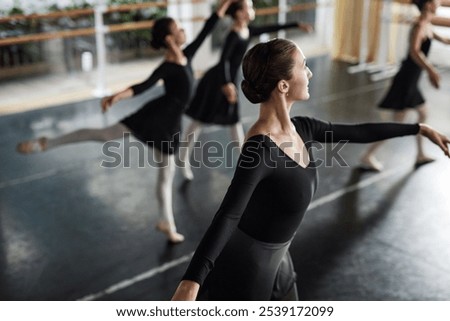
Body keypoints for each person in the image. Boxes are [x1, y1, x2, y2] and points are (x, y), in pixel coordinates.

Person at [171, 38, 449, 300]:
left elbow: (360, 131)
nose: (310, 73)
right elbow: (228, 215)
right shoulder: (259, 149)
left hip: (281, 259)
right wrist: (191, 281)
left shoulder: (303, 128)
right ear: (283, 85)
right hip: (248, 266)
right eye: (303, 66)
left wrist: (419, 128)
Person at [16, 0, 236, 244]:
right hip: (153, 118)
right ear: (169, 39)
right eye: (178, 28)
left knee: (166, 175)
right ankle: (49, 142)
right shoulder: (167, 67)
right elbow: (142, 87)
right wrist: (116, 96)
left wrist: (226, 3)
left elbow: (209, 26)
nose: (184, 31)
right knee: (104, 135)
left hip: (171, 125)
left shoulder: (188, 54)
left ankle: (166, 222)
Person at [179, 0, 312, 181]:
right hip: (217, 82)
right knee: (199, 122)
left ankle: (250, 162)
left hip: (228, 82)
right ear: (240, 13)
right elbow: (223, 60)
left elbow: (271, 27)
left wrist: (296, 24)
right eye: (248, 7)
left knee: (234, 121)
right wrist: (226, 84)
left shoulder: (246, 30)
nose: (252, 10)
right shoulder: (233, 34)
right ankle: (183, 159)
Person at [360, 0, 450, 171]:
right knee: (398, 125)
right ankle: (368, 155)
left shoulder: (426, 23)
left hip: (411, 79)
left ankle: (420, 155)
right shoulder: (420, 25)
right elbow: (414, 51)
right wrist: (431, 70)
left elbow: (444, 39)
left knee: (423, 114)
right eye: (435, 0)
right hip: (406, 79)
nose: (439, 2)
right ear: (428, 5)